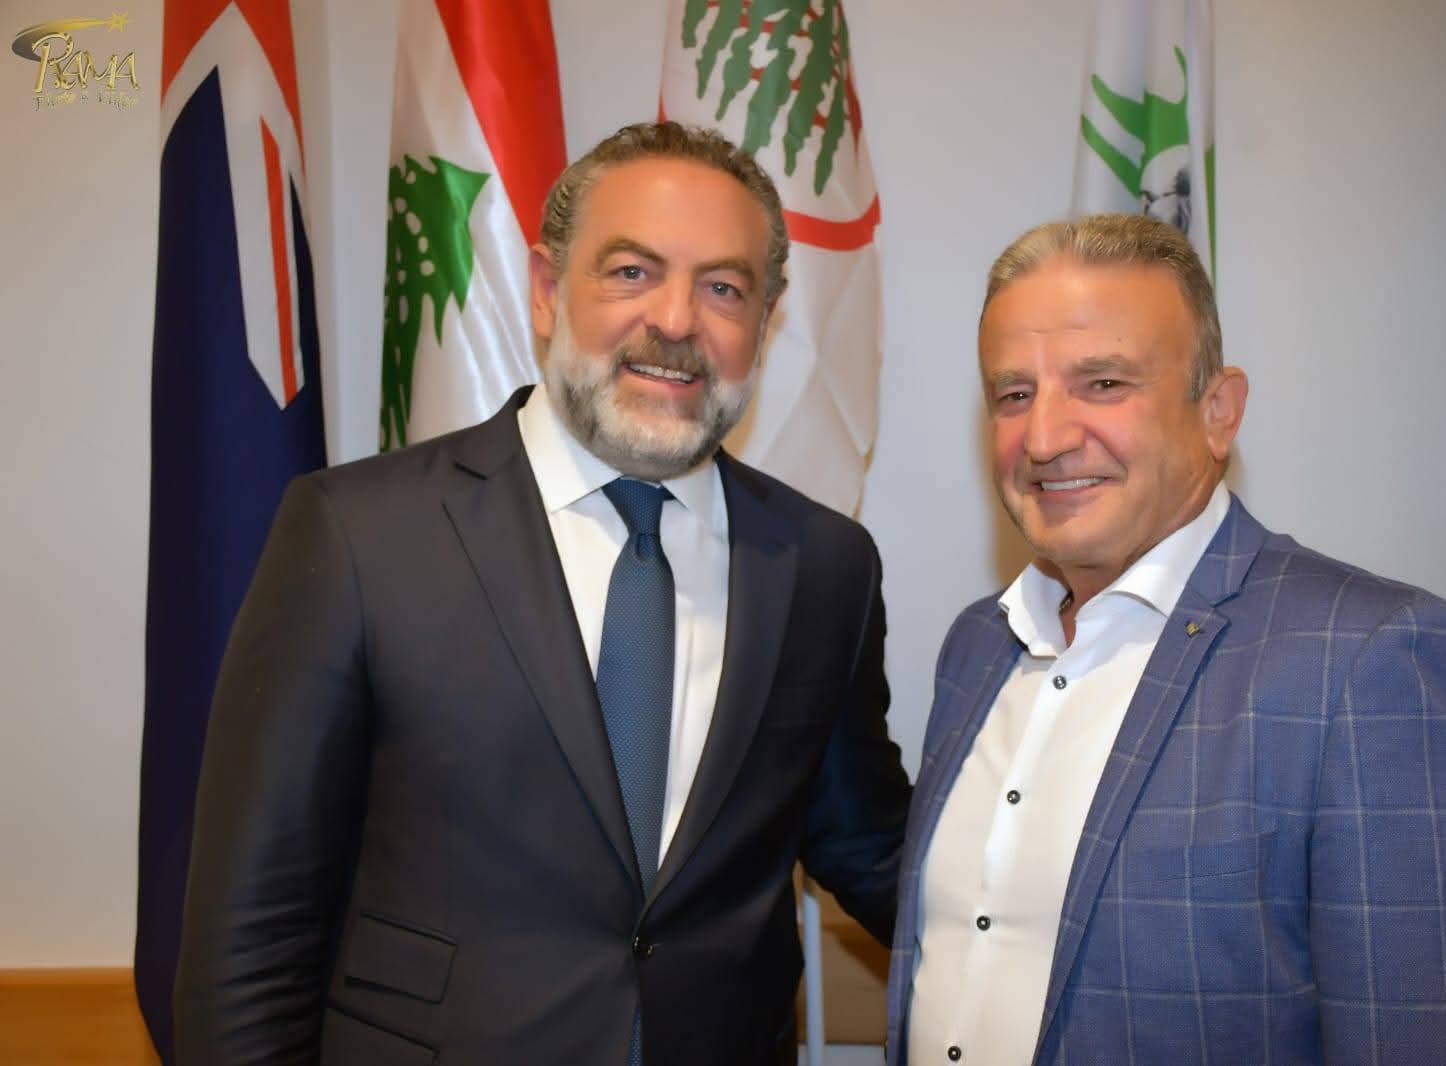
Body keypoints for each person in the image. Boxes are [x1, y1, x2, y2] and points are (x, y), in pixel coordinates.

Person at [175, 121, 909, 1065]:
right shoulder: (358, 536)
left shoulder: (824, 566)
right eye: (632, 271)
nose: (677, 320)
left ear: (765, 323)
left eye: (724, 288)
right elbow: (252, 936)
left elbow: (870, 845)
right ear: (546, 290)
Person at [885, 214, 1446, 1064]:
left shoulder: (1371, 660)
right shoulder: (978, 647)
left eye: (1103, 383)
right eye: (1014, 394)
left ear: (1218, 412)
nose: (1045, 438)